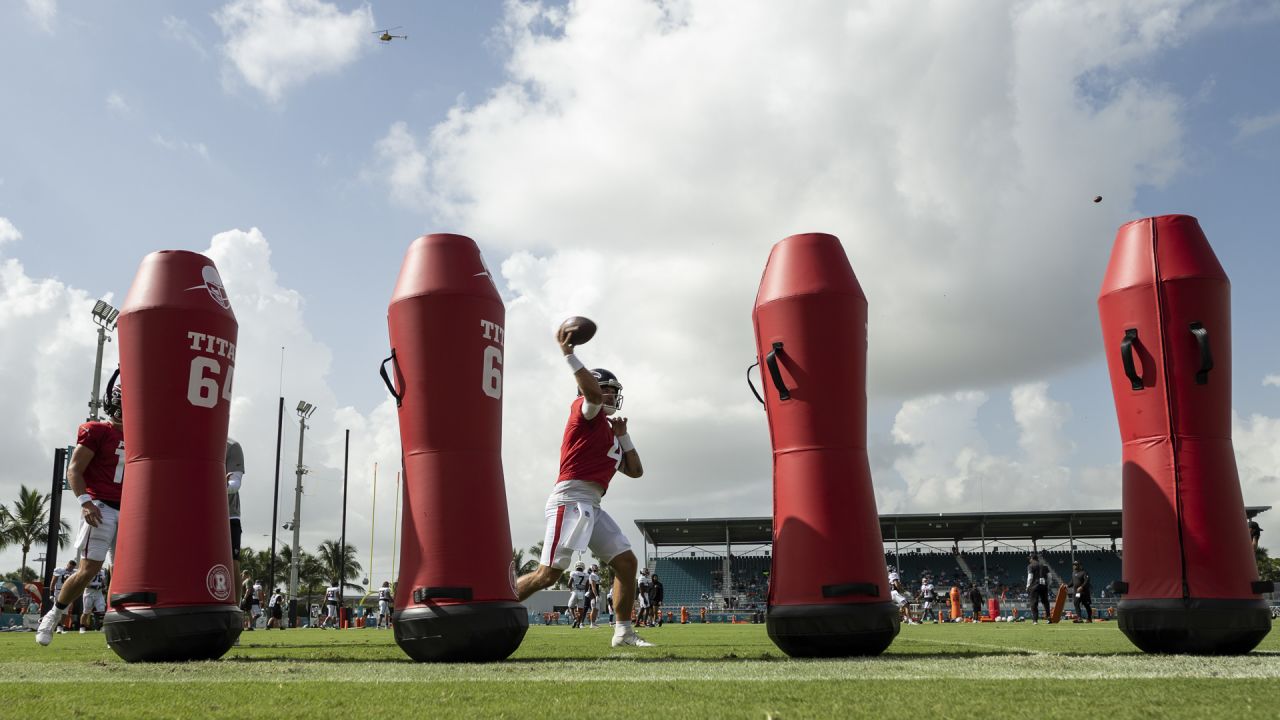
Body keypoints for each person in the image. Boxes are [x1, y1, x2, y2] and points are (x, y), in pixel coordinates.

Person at [514, 326, 651, 647]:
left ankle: (623, 633)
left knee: (627, 563)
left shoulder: (609, 431)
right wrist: (570, 354)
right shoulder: (584, 411)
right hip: (570, 499)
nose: (611, 396)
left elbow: (636, 471)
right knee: (547, 576)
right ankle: (492, 606)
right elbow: (590, 395)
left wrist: (624, 436)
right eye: (607, 389)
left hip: (593, 505)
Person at [36, 382, 125, 647]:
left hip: (129, 509)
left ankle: (116, 627)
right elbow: (74, 469)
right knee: (88, 570)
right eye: (121, 404)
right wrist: (86, 502)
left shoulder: (142, 434)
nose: (124, 410)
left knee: (122, 573)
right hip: (101, 507)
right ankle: (53, 615)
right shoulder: (97, 430)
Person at [226, 439, 246, 601]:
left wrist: (216, 484)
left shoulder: (231, 446)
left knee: (233, 562)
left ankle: (235, 609)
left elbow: (234, 484)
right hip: (197, 512)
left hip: (228, 514)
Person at [1026, 553, 1052, 624]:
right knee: (1045, 602)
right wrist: (1048, 585)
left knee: (1034, 603)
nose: (1029, 560)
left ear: (1032, 558)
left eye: (1030, 558)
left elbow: (1030, 577)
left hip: (1034, 586)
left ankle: (1035, 620)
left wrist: (1028, 586)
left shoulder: (1030, 566)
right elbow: (1049, 577)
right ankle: (1049, 618)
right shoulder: (1044, 566)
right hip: (1044, 586)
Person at [80, 568, 107, 633]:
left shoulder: (102, 572)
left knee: (101, 610)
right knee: (86, 612)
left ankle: (100, 627)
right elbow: (84, 584)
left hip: (98, 593)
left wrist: (103, 587)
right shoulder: (89, 571)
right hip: (89, 594)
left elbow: (103, 583)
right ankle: (82, 627)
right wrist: (93, 587)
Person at [567, 561, 590, 628]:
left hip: (575, 591)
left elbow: (569, 584)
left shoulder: (573, 573)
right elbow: (587, 586)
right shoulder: (586, 575)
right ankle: (578, 624)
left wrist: (571, 590)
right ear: (583, 567)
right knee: (581, 610)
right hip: (582, 593)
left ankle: (574, 619)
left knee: (570, 607)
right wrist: (584, 593)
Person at [586, 564, 602, 629]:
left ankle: (594, 623)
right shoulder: (592, 575)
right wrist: (596, 595)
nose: (597, 568)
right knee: (593, 608)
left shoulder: (596, 575)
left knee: (596, 609)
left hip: (596, 593)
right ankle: (592, 624)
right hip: (593, 593)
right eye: (595, 567)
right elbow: (593, 587)